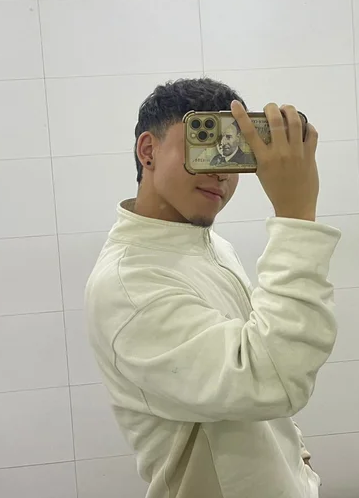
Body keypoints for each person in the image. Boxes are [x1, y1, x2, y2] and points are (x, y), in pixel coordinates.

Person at [84, 78, 339, 498]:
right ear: (148, 151)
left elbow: (259, 354)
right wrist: (295, 214)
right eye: (204, 144)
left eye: (233, 149)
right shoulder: (128, 285)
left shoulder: (209, 245)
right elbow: (273, 378)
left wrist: (298, 460)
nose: (221, 171)